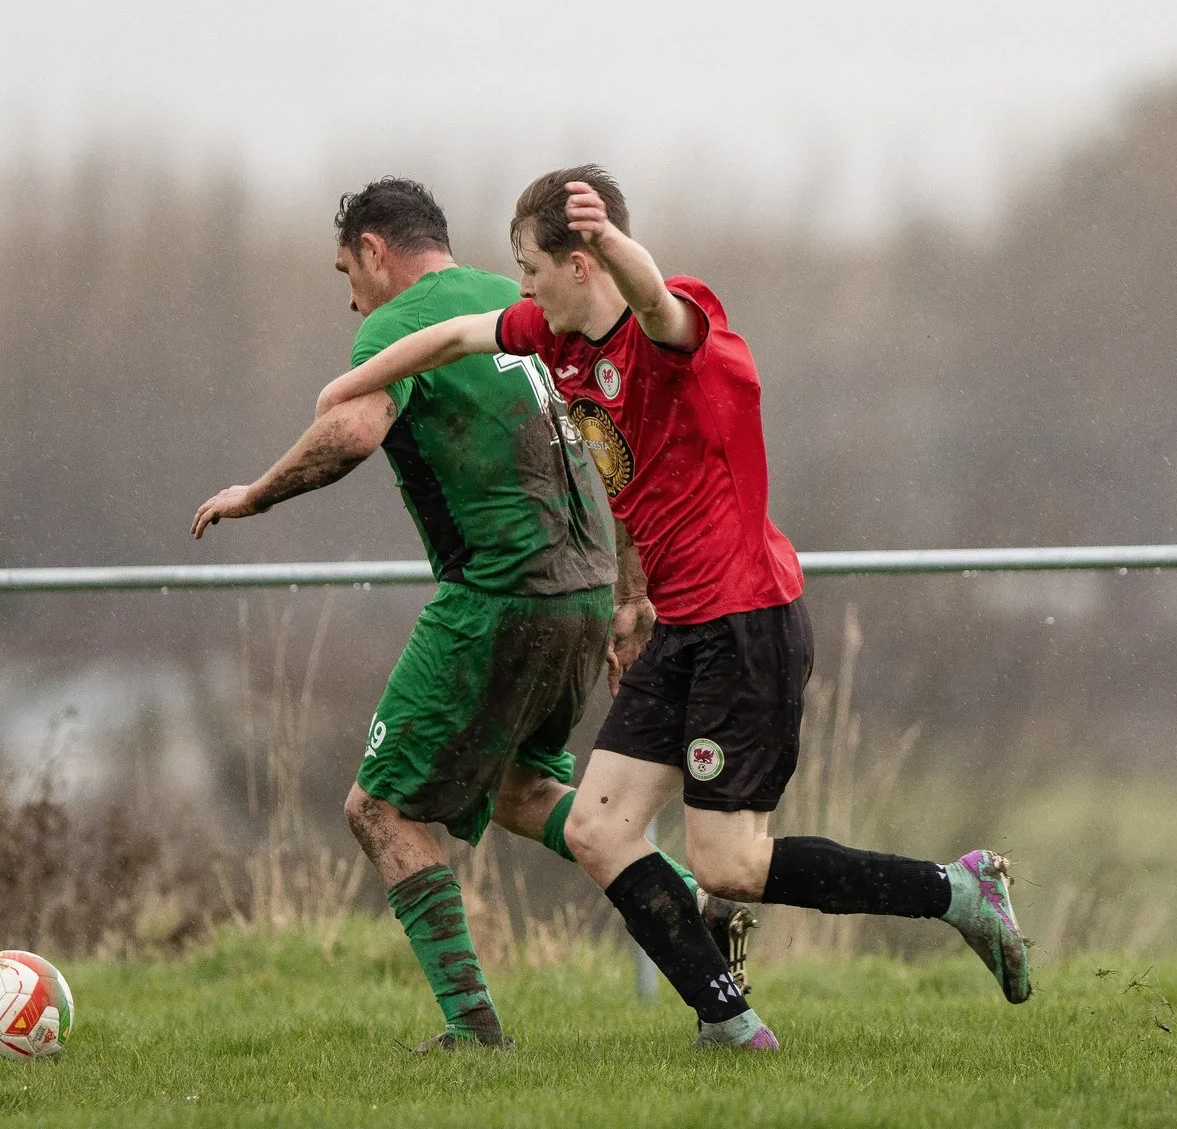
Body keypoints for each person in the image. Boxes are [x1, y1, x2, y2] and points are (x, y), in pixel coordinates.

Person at [318, 166, 1031, 1051]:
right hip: (684, 626)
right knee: (597, 827)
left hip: (747, 621)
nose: (523, 282)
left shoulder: (677, 328)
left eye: (533, 264)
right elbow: (458, 333)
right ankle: (732, 1026)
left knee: (730, 864)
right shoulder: (556, 337)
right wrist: (346, 389)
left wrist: (619, 246)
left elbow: (654, 303)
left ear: (583, 264)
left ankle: (959, 891)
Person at [191, 178, 630, 1051]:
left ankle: (473, 1027)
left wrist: (257, 495)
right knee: (522, 789)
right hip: (585, 589)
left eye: (346, 271)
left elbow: (351, 432)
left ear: (375, 251)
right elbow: (613, 437)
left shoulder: (395, 326)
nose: (349, 296)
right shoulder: (521, 299)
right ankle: (686, 899)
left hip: (498, 596)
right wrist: (631, 593)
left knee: (379, 808)